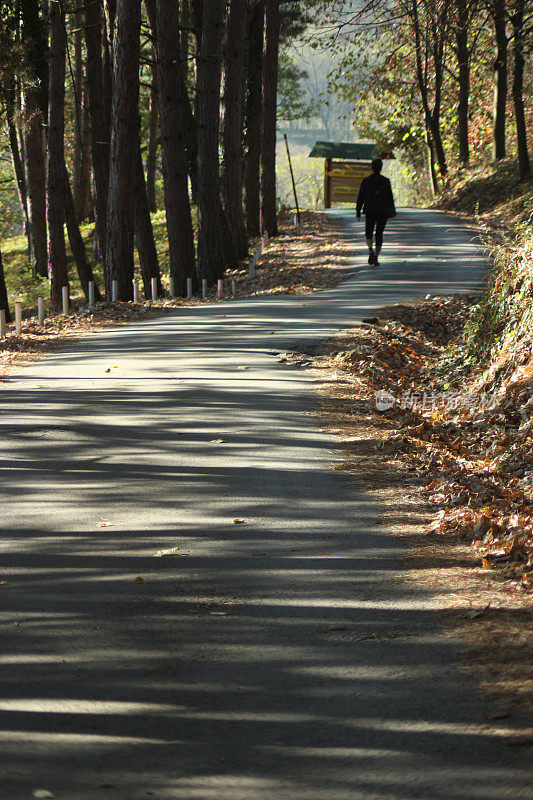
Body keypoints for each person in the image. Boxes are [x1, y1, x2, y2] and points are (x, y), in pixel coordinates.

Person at [356, 158, 396, 266]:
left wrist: (358, 211)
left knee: (368, 233)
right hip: (382, 211)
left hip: (370, 210)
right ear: (381, 168)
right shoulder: (386, 181)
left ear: (371, 168)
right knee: (379, 234)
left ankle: (370, 250)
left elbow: (361, 197)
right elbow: (390, 197)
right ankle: (376, 257)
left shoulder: (366, 181)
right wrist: (393, 210)